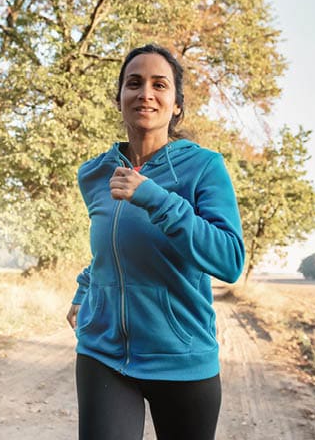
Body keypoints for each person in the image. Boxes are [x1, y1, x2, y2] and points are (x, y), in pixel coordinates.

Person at [66, 44, 245, 440]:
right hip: (103, 353)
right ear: (119, 99)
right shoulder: (95, 174)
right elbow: (113, 247)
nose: (145, 92)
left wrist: (156, 198)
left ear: (176, 104)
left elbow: (230, 260)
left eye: (158, 84)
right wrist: (85, 288)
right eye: (134, 83)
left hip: (181, 359)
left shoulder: (204, 168)